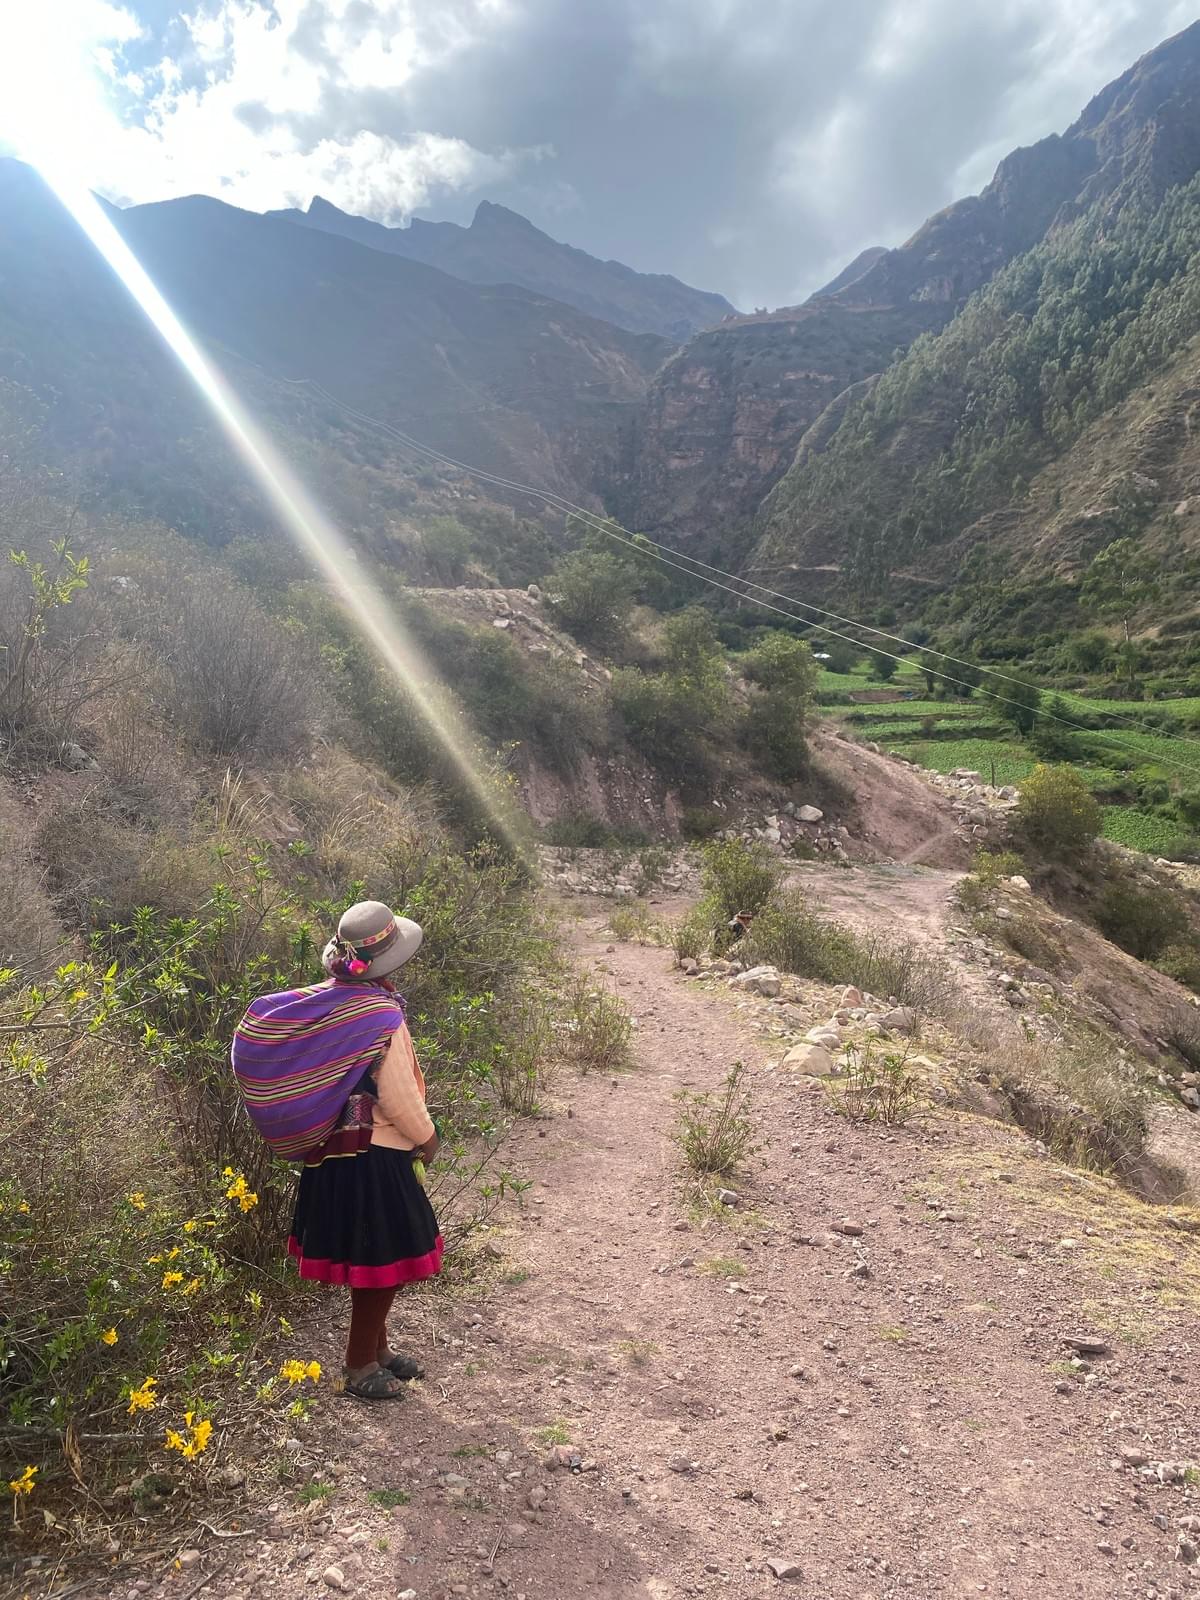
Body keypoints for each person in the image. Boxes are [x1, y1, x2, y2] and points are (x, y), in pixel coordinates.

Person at [232, 900, 442, 1401]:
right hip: (377, 1157)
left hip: (334, 1154)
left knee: (372, 1258)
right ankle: (359, 1364)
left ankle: (379, 1351)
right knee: (387, 1262)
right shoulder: (381, 1015)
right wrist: (428, 1138)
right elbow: (398, 1096)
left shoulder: (325, 1005)